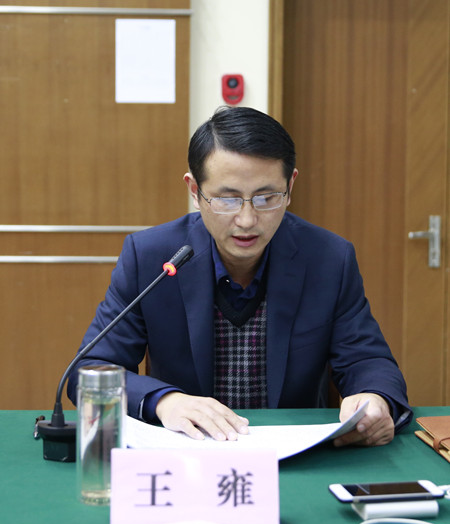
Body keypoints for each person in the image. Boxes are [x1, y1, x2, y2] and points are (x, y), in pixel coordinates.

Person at [68, 106, 412, 447]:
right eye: (227, 199)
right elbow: (89, 371)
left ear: (290, 186)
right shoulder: (150, 258)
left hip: (294, 456)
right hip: (187, 453)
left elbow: (368, 359)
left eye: (266, 198)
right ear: (194, 190)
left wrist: (374, 398)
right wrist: (164, 401)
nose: (247, 220)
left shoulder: (328, 258)